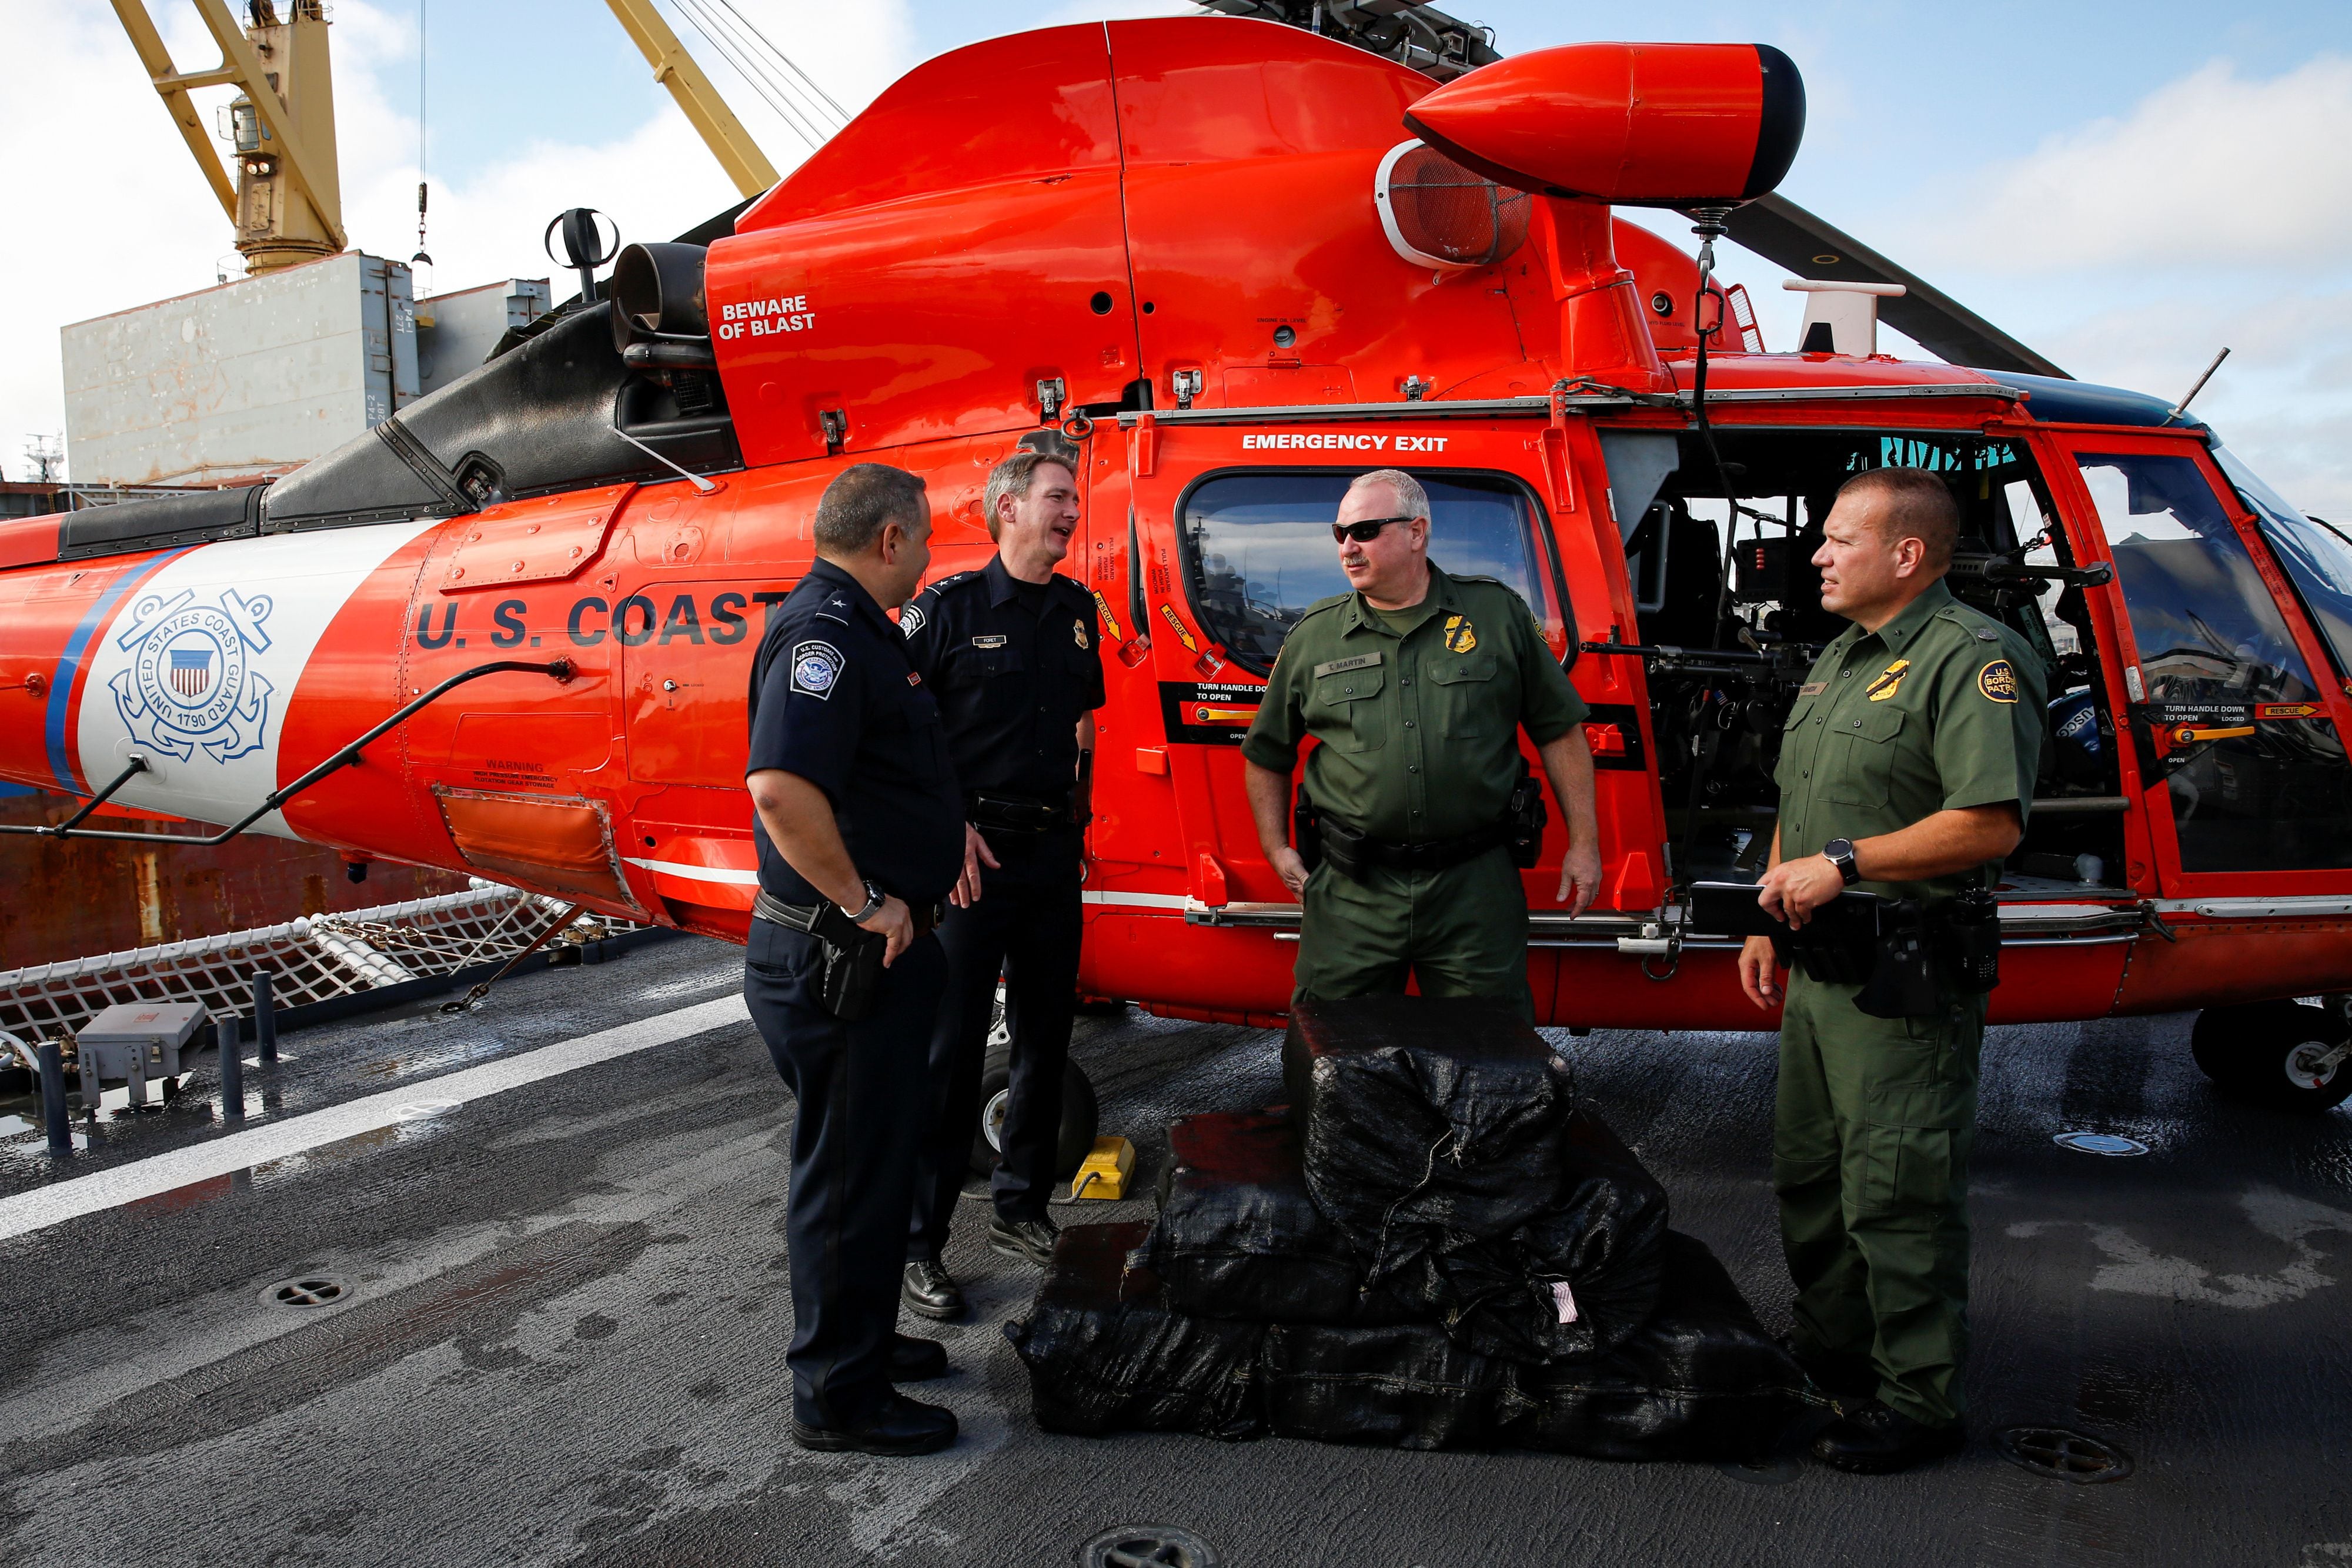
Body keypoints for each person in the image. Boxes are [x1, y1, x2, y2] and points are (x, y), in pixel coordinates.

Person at [1738, 466, 2046, 1475]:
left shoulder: (1972, 659)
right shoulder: (1837, 660)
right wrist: (1770, 911)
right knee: (1812, 1176)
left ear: (1906, 555)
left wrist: (1845, 864)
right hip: (1821, 967)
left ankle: (1920, 1395)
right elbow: (1806, 795)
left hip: (1904, 977)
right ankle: (1839, 1357)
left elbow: (1988, 821)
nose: (1816, 555)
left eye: (1838, 538)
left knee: (1897, 1186)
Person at [744, 463, 966, 1457]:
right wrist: (868, 902)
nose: (926, 557)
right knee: (845, 1175)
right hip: (842, 953)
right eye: (921, 539)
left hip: (875, 949)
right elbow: (783, 790)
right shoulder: (824, 636)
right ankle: (836, 1393)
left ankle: (864, 1344)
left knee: (876, 1164)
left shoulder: (862, 631)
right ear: (889, 539)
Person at [1239, 467, 1603, 1022]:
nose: (1349, 547)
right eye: (1340, 534)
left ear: (1417, 532)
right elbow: (1267, 752)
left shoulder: (1494, 616)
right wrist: (1275, 846)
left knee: (1489, 1059)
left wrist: (1585, 843)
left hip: (1473, 889)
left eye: (1364, 530)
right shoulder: (1315, 636)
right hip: (1352, 892)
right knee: (1337, 1056)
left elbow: (1559, 729)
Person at [900, 449, 1104, 1322]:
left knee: (1045, 1036)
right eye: (1059, 497)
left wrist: (1080, 823)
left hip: (1051, 857)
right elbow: (903, 736)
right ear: (1008, 508)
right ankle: (922, 1240)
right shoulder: (944, 610)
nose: (1073, 509)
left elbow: (1082, 726)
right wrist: (946, 834)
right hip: (971, 865)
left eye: (1073, 497)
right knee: (949, 1058)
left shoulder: (1076, 612)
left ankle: (1022, 1204)